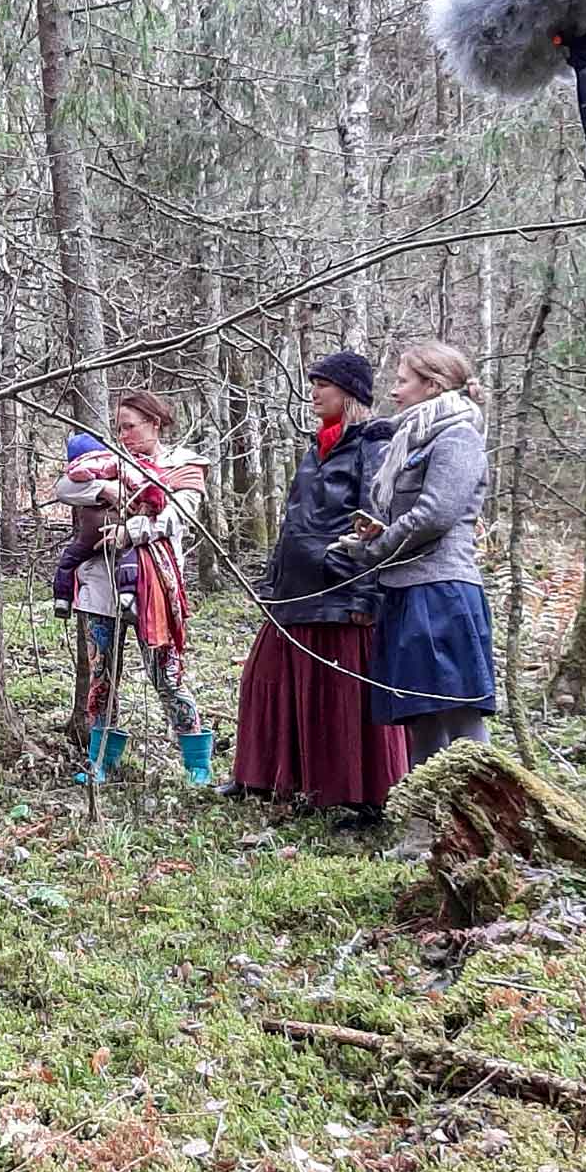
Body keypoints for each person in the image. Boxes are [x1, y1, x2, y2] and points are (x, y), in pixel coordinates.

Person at [231, 352, 410, 820]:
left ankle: (361, 794)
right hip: (296, 587)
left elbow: (377, 522)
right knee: (266, 679)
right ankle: (268, 777)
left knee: (341, 696)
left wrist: (367, 594)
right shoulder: (319, 446)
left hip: (340, 588)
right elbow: (296, 520)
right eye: (313, 384)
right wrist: (273, 583)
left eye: (322, 385)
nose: (313, 393)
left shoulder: (374, 444)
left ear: (348, 392)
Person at [338, 341, 494, 760]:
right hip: (406, 590)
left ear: (432, 385)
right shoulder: (413, 439)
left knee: (459, 713)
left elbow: (434, 516)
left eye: (403, 380)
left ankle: (479, 812)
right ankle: (424, 819)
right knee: (419, 713)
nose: (393, 390)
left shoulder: (458, 436)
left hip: (443, 592)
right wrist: (374, 536)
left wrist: (376, 549)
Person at [52, 388, 212, 785]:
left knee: (166, 676)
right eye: (118, 427)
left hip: (153, 583)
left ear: (154, 424)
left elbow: (179, 517)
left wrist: (131, 530)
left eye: (130, 427)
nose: (122, 435)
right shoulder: (109, 460)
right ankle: (101, 762)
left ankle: (197, 764)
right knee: (102, 674)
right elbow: (65, 487)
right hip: (99, 582)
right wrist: (106, 490)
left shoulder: (184, 464)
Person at [52, 433, 138, 616]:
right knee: (128, 557)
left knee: (69, 558)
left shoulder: (78, 471)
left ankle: (62, 597)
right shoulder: (119, 464)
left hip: (92, 533)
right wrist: (107, 489)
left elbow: (66, 486)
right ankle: (127, 595)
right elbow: (62, 490)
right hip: (119, 529)